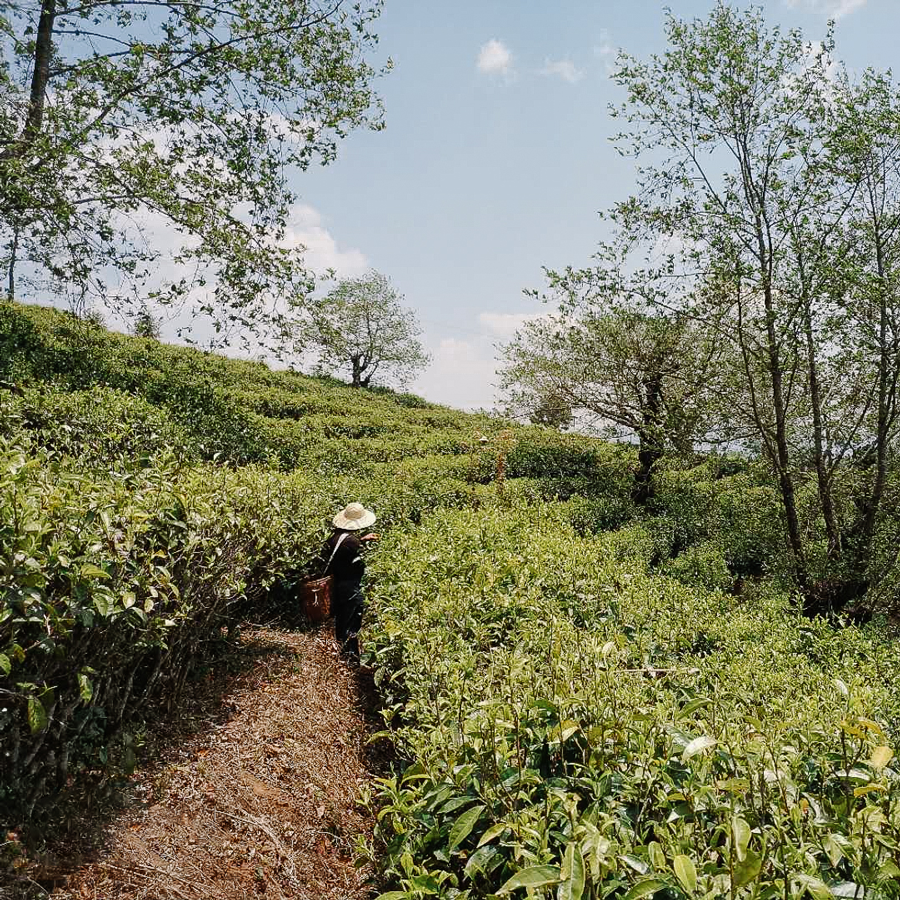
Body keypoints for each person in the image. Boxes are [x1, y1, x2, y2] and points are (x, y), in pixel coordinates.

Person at [321, 502, 378, 662]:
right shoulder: (352, 543)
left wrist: (361, 539)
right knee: (352, 622)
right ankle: (350, 659)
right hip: (350, 587)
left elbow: (343, 550)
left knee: (342, 620)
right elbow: (355, 555)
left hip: (337, 585)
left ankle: (342, 652)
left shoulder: (334, 538)